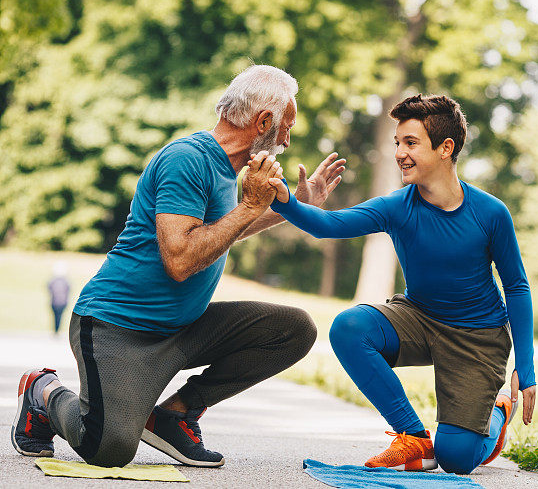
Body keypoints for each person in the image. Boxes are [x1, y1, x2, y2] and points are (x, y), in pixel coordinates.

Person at [11, 65, 346, 468]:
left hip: (180, 331)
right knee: (107, 448)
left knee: (293, 329)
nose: (288, 141)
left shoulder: (227, 171)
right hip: (116, 328)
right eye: (287, 127)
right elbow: (181, 260)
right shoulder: (186, 159)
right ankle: (43, 391)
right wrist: (250, 205)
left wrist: (294, 209)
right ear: (264, 121)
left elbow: (221, 233)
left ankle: (173, 414)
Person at [268, 94, 536, 474]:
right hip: (420, 318)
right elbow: (330, 224)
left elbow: (517, 287)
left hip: (478, 337)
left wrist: (525, 367)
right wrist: (285, 202)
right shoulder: (398, 206)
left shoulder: (490, 213)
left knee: (457, 459)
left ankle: (497, 413)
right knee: (349, 327)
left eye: (410, 143)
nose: (399, 153)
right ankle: (413, 437)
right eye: (397, 143)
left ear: (446, 148)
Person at [47, 262, 70, 334]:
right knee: (59, 317)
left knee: (56, 317)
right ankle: (56, 330)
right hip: (61, 302)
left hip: (55, 302)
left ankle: (56, 330)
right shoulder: (65, 281)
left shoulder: (53, 281)